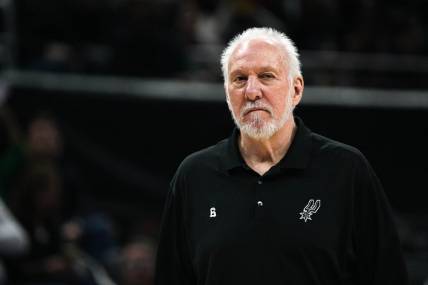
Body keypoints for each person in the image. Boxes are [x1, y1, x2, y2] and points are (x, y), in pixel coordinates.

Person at [155, 27, 408, 285]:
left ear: (296, 90)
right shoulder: (194, 176)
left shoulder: (347, 170)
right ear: (227, 92)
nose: (252, 92)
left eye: (266, 76)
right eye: (239, 79)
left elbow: (387, 275)